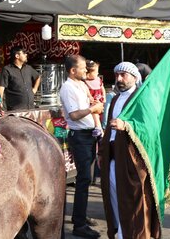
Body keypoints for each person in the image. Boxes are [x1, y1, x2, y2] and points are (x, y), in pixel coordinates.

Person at [98, 62, 159, 239]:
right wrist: (102, 152)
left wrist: (126, 125)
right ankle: (121, 234)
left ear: (135, 77)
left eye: (124, 75)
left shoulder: (142, 98)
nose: (119, 79)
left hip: (132, 160)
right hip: (112, 157)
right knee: (114, 198)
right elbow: (109, 129)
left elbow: (150, 128)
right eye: (117, 75)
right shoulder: (116, 99)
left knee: (134, 201)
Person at [59, 54, 103, 239]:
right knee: (83, 180)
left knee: (87, 179)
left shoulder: (82, 85)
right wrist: (93, 109)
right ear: (72, 70)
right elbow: (75, 115)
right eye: (83, 67)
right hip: (80, 137)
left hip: (90, 135)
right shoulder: (68, 88)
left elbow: (91, 106)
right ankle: (79, 224)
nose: (87, 70)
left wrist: (98, 125)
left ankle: (81, 216)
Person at [0, 46, 41, 110]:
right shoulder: (7, 69)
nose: (26, 55)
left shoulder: (28, 68)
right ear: (17, 56)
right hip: (15, 110)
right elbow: (1, 86)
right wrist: (0, 101)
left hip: (30, 108)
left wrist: (34, 89)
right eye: (23, 53)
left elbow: (38, 77)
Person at [85, 60, 105, 138]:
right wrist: (90, 97)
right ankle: (98, 127)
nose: (98, 73)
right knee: (94, 113)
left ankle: (102, 126)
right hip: (93, 102)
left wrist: (104, 97)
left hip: (100, 100)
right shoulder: (85, 82)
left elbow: (102, 88)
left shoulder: (98, 80)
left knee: (101, 114)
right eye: (96, 72)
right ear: (88, 74)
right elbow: (87, 92)